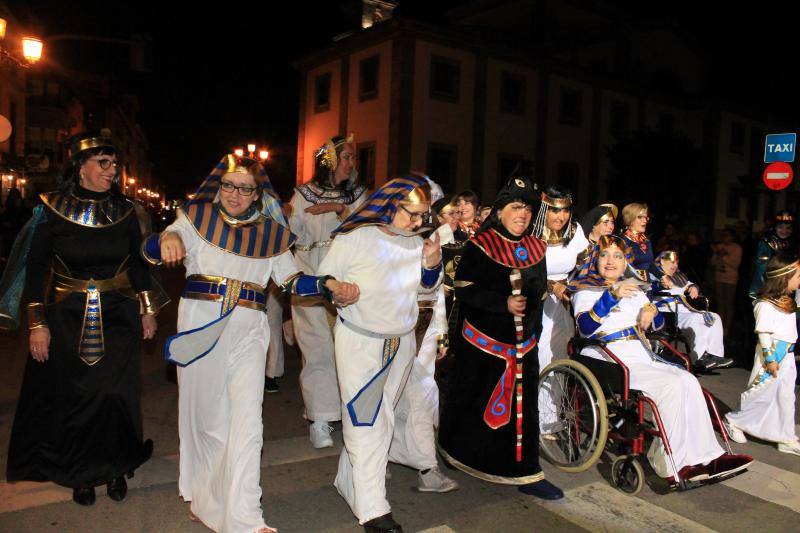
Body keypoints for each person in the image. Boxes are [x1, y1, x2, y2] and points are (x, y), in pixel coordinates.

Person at [147, 154, 359, 533]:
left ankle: (246, 515)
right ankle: (202, 495)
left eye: (246, 188)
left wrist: (326, 284)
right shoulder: (194, 220)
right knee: (206, 420)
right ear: (218, 186)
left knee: (247, 421)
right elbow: (151, 248)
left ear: (257, 194)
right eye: (229, 185)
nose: (235, 194)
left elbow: (293, 281)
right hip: (201, 326)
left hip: (249, 329)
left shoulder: (272, 234)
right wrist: (169, 238)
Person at [2, 130, 160, 506]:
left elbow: (138, 265)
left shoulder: (128, 211)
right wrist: (37, 324)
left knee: (116, 394)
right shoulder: (50, 208)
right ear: (80, 167)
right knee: (75, 395)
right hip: (66, 316)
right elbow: (35, 267)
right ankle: (81, 474)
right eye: (103, 163)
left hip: (118, 314)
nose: (112, 170)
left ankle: (117, 466)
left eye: (115, 163)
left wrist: (148, 308)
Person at [569, 235, 752, 484]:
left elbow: (658, 324)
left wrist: (649, 309)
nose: (610, 261)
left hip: (638, 353)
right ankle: (674, 463)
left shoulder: (635, 290)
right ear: (595, 259)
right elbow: (586, 328)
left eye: (618, 256)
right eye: (604, 255)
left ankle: (709, 455)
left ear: (626, 264)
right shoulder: (586, 290)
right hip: (607, 356)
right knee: (671, 386)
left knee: (688, 380)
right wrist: (611, 295)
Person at [317, 175, 443, 533]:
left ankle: (349, 481)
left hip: (402, 343)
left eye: (423, 215)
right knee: (364, 421)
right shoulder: (354, 237)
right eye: (412, 214)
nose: (418, 222)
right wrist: (337, 291)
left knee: (381, 417)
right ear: (390, 204)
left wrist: (431, 262)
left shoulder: (416, 241)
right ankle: (373, 509)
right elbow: (324, 277)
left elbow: (426, 288)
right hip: (361, 343)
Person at [438, 174, 564, 501]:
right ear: (502, 210)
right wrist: (502, 304)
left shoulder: (537, 247)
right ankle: (456, 452)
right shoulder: (481, 244)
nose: (523, 214)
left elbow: (537, 294)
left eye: (528, 209)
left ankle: (526, 472)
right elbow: (464, 290)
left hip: (524, 347)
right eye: (517, 207)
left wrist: (530, 334)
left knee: (525, 412)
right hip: (483, 346)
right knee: (470, 404)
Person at [288, 134, 368, 448]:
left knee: (349, 351)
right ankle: (320, 418)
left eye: (352, 157)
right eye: (346, 156)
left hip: (346, 281)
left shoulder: (358, 196)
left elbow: (367, 231)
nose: (351, 162)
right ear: (330, 161)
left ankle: (350, 417)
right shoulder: (303, 194)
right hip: (310, 275)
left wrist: (340, 209)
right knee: (317, 349)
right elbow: (290, 233)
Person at [725, 254, 800, 456]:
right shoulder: (765, 304)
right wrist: (769, 358)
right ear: (784, 278)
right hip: (773, 356)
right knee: (760, 393)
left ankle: (785, 437)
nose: (799, 280)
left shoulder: (788, 301)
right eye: (798, 276)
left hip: (788, 356)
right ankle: (734, 420)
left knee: (785, 397)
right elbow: (764, 332)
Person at [530, 187, 588, 436]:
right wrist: (550, 285)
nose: (561, 215)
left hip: (564, 301)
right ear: (545, 208)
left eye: (565, 209)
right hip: (536, 299)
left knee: (561, 355)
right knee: (542, 355)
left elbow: (586, 264)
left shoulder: (574, 230)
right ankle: (540, 418)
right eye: (555, 209)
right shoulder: (533, 230)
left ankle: (555, 413)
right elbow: (525, 269)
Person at [651, 251, 733, 371]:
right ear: (662, 262)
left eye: (677, 263)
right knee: (696, 319)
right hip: (667, 313)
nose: (675, 265)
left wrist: (693, 287)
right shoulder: (654, 276)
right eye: (671, 262)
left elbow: (689, 284)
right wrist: (661, 285)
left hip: (684, 311)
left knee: (714, 316)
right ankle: (698, 359)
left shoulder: (678, 277)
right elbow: (650, 288)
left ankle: (715, 356)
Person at [749, 211, 794, 298]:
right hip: (770, 285)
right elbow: (761, 264)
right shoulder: (767, 242)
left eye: (788, 228)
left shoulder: (792, 243)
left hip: (789, 285)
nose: (784, 231)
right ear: (774, 228)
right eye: (780, 227)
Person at [710, 228, 742, 332]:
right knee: (720, 303)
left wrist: (723, 256)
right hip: (719, 278)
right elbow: (713, 263)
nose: (725, 238)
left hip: (731, 280)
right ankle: (719, 326)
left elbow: (735, 264)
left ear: (732, 237)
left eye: (727, 235)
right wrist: (716, 254)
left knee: (728, 304)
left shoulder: (737, 248)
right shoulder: (719, 247)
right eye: (723, 235)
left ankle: (727, 328)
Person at [576, 202, 617, 270]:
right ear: (594, 224)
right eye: (605, 222)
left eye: (612, 222)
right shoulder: (581, 244)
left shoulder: (614, 245)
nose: (611, 227)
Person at [620, 202, 655, 275]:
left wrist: (664, 277)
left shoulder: (646, 241)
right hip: (630, 282)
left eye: (645, 217)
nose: (645, 221)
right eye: (640, 217)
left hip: (647, 282)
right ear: (630, 219)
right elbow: (624, 269)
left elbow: (651, 266)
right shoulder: (623, 241)